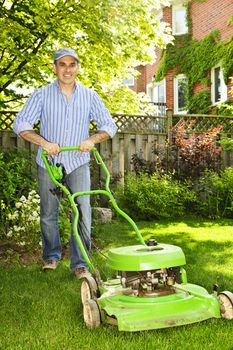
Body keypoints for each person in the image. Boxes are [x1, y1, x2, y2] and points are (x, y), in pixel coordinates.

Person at [13, 48, 117, 278]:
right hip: (49, 162)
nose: (67, 69)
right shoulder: (41, 95)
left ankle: (80, 263)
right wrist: (44, 142)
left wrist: (92, 139)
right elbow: (20, 124)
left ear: (78, 68)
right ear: (54, 67)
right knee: (48, 211)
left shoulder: (90, 96)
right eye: (62, 64)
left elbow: (109, 126)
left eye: (72, 64)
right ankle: (51, 256)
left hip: (78, 161)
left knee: (82, 210)